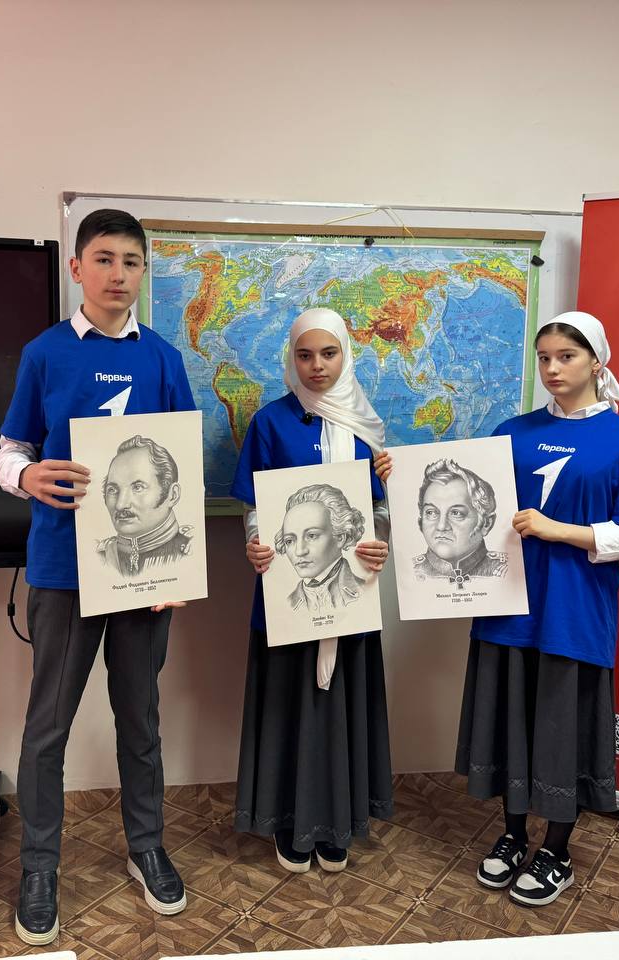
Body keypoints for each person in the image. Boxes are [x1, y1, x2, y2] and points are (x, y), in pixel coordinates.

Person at [0, 209, 196, 946]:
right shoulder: (44, 353)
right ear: (77, 268)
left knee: (140, 718)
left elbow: (183, 466)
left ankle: (146, 847)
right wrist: (26, 476)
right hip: (61, 570)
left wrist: (178, 568)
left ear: (144, 272)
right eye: (104, 259)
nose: (118, 274)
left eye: (131, 262)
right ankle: (39, 867)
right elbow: (9, 450)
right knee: (48, 725)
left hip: (146, 576)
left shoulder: (164, 359)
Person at [455, 311, 619, 907]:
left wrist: (560, 530)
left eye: (566, 357)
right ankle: (513, 835)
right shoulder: (511, 432)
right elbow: (467, 503)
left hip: (574, 612)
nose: (552, 368)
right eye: (544, 357)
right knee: (511, 724)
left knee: (560, 730)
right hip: (507, 607)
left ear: (596, 361)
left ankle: (557, 850)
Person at [231, 306, 393, 875]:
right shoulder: (270, 423)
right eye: (305, 355)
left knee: (341, 706)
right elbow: (256, 507)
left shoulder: (367, 426)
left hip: (350, 597)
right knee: (288, 706)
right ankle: (288, 821)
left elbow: (376, 509)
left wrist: (380, 541)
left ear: (346, 354)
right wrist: (255, 544)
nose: (317, 365)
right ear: (291, 359)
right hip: (286, 598)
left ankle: (336, 821)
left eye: (328, 353)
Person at [98, 434, 192, 575]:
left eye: (138, 487)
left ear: (173, 495)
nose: (120, 505)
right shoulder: (100, 557)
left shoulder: (190, 552)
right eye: (112, 490)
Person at [413, 458, 508, 584]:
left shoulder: (507, 570)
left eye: (456, 513)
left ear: (486, 523)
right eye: (431, 512)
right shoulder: (410, 571)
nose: (441, 526)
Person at [274, 484, 367, 612]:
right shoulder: (285, 605)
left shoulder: (365, 592)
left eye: (312, 536)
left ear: (340, 537)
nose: (299, 551)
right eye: (289, 541)